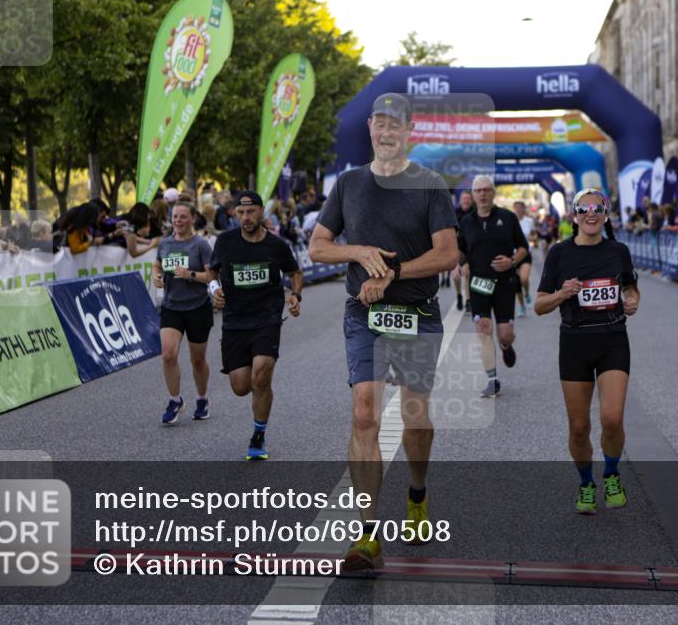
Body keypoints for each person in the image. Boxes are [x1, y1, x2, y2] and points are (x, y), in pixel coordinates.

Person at [308, 92, 458, 570]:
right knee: (364, 411)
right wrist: (357, 253)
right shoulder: (349, 184)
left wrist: (391, 274)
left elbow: (447, 255)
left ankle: (417, 495)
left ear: (409, 131)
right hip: (363, 314)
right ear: (370, 128)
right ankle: (367, 534)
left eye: (397, 125)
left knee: (415, 417)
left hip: (415, 312)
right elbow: (317, 247)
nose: (387, 132)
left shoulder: (430, 184)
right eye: (380, 123)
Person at [534, 189, 640, 515]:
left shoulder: (618, 251)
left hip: (612, 339)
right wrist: (563, 294)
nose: (590, 214)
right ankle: (585, 482)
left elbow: (630, 286)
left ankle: (610, 474)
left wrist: (633, 299)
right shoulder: (559, 254)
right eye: (584, 209)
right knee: (579, 428)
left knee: (612, 418)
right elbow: (539, 305)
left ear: (606, 214)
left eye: (597, 209)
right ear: (574, 215)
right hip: (575, 343)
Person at [209, 191, 303, 460]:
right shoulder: (225, 242)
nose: (245, 218)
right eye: (240, 213)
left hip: (267, 318)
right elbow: (212, 271)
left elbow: (295, 273)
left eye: (250, 212)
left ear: (262, 211)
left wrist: (295, 296)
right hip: (235, 320)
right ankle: (257, 390)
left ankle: (258, 436)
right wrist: (214, 289)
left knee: (261, 375)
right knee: (241, 386)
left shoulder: (276, 245)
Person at [458, 175, 528, 397]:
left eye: (487, 190)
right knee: (483, 329)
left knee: (504, 333)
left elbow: (523, 248)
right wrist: (460, 264)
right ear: (474, 194)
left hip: (505, 282)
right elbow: (460, 250)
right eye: (478, 191)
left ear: (494, 193)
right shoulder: (466, 222)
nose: (483, 194)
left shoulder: (507, 218)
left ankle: (506, 346)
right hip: (479, 283)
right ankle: (492, 379)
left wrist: (512, 261)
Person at [153, 202, 215, 424]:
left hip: (198, 307)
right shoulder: (165, 243)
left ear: (192, 219)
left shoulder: (201, 245)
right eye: (175, 217)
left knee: (197, 360)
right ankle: (174, 400)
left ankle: (202, 398)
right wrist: (156, 276)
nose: (178, 221)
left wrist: (189, 274)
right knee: (168, 354)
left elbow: (211, 277)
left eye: (182, 217)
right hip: (171, 307)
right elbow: (157, 266)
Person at [511, 200, 535, 317]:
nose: (518, 210)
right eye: (516, 208)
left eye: (520, 208)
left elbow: (535, 235)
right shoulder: (509, 222)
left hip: (525, 254)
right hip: (512, 255)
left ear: (524, 209)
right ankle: (521, 307)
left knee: (523, 279)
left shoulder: (529, 221)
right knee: (516, 283)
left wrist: (532, 239)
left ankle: (527, 294)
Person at [452, 190, 474, 312]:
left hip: (470, 249)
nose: (466, 201)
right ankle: (459, 295)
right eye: (464, 199)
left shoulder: (475, 214)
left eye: (468, 199)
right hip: (456, 248)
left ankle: (468, 300)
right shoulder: (453, 213)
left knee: (468, 273)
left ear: (471, 201)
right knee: (456, 276)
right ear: (460, 201)